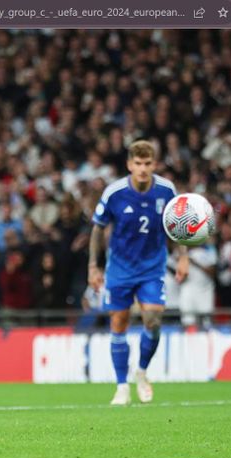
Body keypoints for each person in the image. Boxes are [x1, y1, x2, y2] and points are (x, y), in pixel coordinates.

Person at [88, 140, 189, 406]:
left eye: (147, 163)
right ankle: (122, 386)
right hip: (119, 269)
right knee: (119, 324)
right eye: (138, 164)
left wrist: (183, 257)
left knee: (154, 320)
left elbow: (176, 225)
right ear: (129, 164)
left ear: (154, 164)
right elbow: (97, 229)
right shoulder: (115, 193)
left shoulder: (167, 190)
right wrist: (93, 266)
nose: (142, 169)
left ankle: (141, 372)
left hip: (152, 268)